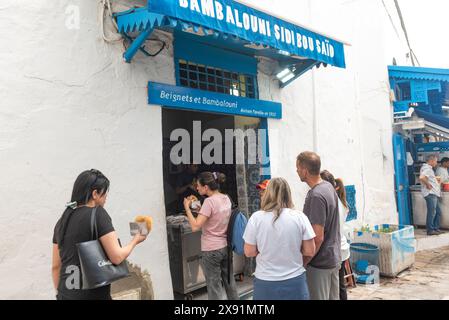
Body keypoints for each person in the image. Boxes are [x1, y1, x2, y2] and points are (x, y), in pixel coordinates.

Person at [52, 169, 148, 300]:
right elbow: (117, 257)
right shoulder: (98, 214)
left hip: (65, 294)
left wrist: (60, 295)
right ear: (95, 193)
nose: (106, 198)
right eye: (105, 194)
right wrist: (135, 240)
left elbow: (56, 266)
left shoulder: (62, 221)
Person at [243, 178, 316, 300]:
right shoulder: (299, 217)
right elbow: (310, 250)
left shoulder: (256, 218)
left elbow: (249, 252)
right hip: (295, 280)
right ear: (288, 194)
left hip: (265, 282)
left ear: (268, 194)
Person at [183, 172, 239, 300]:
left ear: (206, 187)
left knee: (214, 286)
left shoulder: (209, 202)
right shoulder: (226, 198)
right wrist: (199, 210)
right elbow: (215, 216)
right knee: (230, 282)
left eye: (198, 186)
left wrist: (187, 208)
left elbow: (195, 226)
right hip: (226, 246)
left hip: (211, 249)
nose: (197, 188)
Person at [296, 152, 341, 300]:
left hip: (319, 263)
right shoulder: (328, 186)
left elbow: (318, 237)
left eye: (297, 167)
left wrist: (303, 262)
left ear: (305, 170)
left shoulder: (316, 196)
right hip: (333, 259)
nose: (296, 171)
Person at [320, 170, 352, 300]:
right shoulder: (341, 202)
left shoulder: (331, 202)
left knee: (335, 287)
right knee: (339, 286)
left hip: (335, 248)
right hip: (342, 247)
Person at [420, 155, 442, 236]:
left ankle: (435, 228)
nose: (436, 163)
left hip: (433, 193)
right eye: (436, 161)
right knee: (432, 212)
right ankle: (430, 230)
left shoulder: (429, 169)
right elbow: (422, 177)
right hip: (430, 194)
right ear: (432, 161)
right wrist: (428, 184)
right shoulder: (427, 168)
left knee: (438, 212)